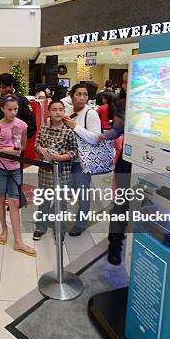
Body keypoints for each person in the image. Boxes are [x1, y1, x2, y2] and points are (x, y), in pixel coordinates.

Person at [0, 94, 35, 257]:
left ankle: (18, 241)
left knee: (14, 202)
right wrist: (5, 151)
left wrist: (15, 148)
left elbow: (22, 146)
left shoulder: (22, 125)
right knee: (0, 197)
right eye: (9, 109)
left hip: (15, 168)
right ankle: (4, 229)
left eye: (15, 109)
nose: (13, 112)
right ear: (2, 109)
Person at [33, 100, 78, 241]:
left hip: (63, 174)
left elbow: (74, 152)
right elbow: (36, 144)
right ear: (49, 112)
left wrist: (60, 157)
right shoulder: (44, 128)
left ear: (64, 112)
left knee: (61, 204)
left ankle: (59, 229)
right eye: (54, 109)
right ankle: (41, 226)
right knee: (44, 201)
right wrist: (42, 149)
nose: (57, 112)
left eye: (60, 109)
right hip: (45, 173)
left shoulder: (68, 131)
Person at [62, 83, 102, 236]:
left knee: (83, 192)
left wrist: (75, 126)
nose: (82, 97)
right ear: (72, 96)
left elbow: (96, 138)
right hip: (66, 158)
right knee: (66, 190)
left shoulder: (90, 113)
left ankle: (81, 223)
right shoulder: (67, 110)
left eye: (85, 94)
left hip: (82, 160)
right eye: (78, 94)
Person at [97, 99, 131, 265]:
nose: (124, 85)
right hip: (127, 162)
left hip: (149, 164)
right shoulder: (123, 104)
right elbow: (117, 130)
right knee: (120, 205)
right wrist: (101, 137)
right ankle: (115, 246)